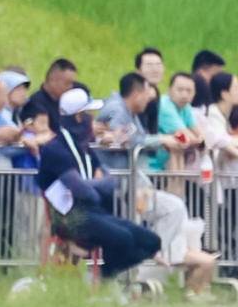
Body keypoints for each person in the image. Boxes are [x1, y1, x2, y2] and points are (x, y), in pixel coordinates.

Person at [37, 88, 158, 278]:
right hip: (70, 217)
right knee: (123, 238)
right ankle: (102, 280)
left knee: (150, 241)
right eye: (88, 114)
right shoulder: (56, 149)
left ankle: (102, 276)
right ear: (78, 117)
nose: (92, 120)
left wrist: (90, 184)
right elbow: (84, 191)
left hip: (93, 211)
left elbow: (109, 182)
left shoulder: (84, 146)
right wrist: (95, 184)